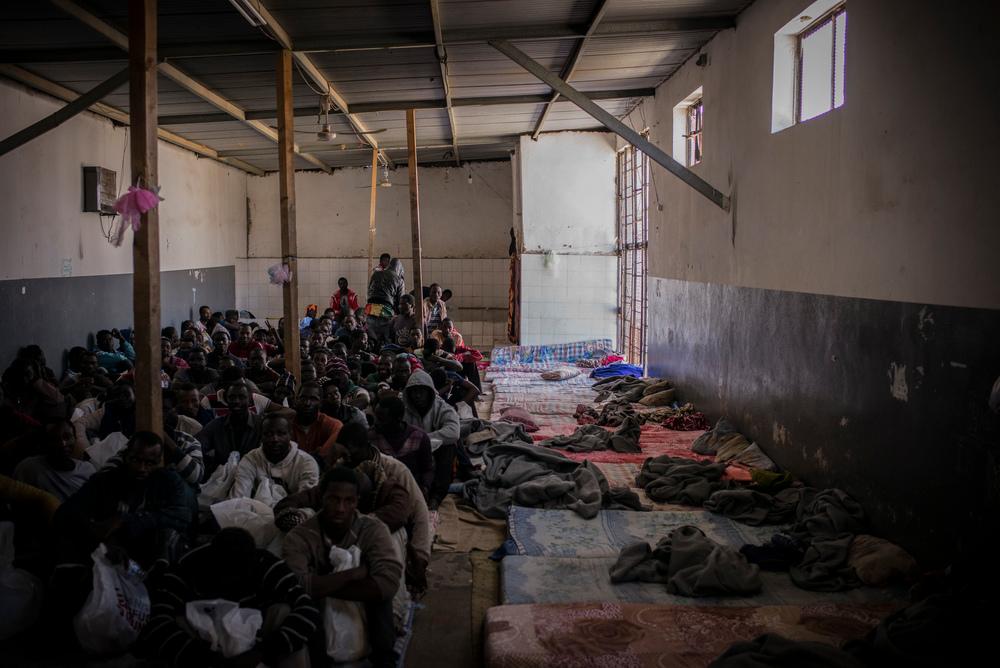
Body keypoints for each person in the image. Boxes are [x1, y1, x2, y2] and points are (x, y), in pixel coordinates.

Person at [139, 527, 319, 668]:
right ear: (210, 562)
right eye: (225, 575)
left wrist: (262, 652)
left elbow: (308, 609)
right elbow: (157, 621)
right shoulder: (187, 569)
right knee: (177, 619)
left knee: (284, 612)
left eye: (239, 576)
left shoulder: (265, 565)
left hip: (259, 641)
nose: (232, 582)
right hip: (204, 647)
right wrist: (208, 660)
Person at [282, 467, 403, 668]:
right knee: (299, 606)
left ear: (357, 502)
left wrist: (321, 584)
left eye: (349, 501)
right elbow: (295, 586)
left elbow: (387, 583)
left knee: (381, 599)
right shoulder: (300, 536)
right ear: (322, 498)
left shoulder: (372, 529)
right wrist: (352, 574)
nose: (340, 508)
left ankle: (383, 659)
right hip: (320, 616)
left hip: (362, 609)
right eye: (333, 499)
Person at [54, 431, 194, 568]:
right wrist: (98, 534)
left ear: (159, 462)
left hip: (150, 551)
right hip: (113, 552)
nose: (141, 468)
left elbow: (182, 516)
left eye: (150, 463)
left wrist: (125, 520)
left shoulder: (168, 481)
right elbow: (65, 513)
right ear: (126, 456)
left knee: (169, 536)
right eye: (136, 460)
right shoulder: (106, 480)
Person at [402, 370, 460, 509]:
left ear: (430, 392)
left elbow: (453, 432)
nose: (417, 396)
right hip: (413, 453)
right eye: (414, 392)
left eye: (421, 391)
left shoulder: (442, 407)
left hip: (436, 451)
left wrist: (425, 440)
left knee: (449, 447)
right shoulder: (404, 409)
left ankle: (437, 496)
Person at [230, 414, 319, 500]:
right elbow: (239, 497)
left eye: (281, 434)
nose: (275, 439)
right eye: (268, 434)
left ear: (290, 435)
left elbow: (306, 500)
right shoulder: (250, 459)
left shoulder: (306, 462)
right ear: (261, 436)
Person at [14, 419, 95, 502]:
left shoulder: (88, 469)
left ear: (75, 438)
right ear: (44, 442)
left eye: (67, 437)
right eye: (54, 439)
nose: (63, 443)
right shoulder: (29, 468)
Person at [370, 397, 433, 499]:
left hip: (412, 489)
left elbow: (427, 469)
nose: (376, 423)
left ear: (398, 418)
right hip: (381, 493)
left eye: (382, 419)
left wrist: (424, 488)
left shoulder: (419, 437)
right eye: (376, 417)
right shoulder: (371, 437)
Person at [197, 382, 264, 477]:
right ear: (226, 400)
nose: (236, 401)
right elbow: (198, 445)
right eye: (232, 397)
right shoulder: (216, 425)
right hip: (223, 478)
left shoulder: (261, 424)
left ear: (250, 401)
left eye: (242, 397)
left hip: (254, 477)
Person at [291, 382, 343, 459]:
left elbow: (324, 458)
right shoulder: (286, 423)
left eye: (313, 399)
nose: (307, 403)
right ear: (296, 400)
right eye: (303, 398)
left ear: (321, 403)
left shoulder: (333, 425)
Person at [365, 258, 406, 345]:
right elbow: (401, 301)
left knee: (371, 338)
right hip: (385, 311)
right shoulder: (399, 279)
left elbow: (368, 292)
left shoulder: (376, 274)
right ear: (399, 269)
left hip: (370, 309)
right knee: (386, 339)